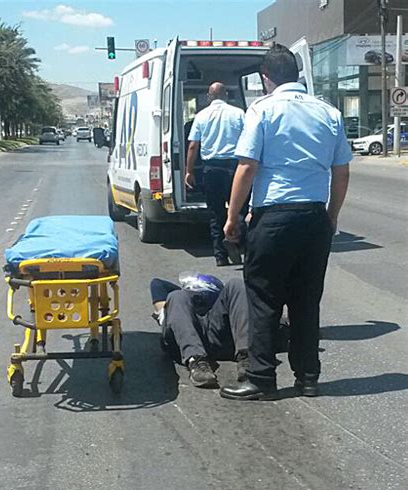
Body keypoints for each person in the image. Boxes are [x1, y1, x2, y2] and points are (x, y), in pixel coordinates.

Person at [222, 45, 352, 401]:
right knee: (307, 300)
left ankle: (261, 378)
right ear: (295, 75)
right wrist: (330, 216)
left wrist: (232, 217)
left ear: (267, 79)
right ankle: (308, 377)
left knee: (264, 298)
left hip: (274, 217)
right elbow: (341, 172)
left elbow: (247, 167)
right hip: (313, 218)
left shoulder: (262, 110)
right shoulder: (328, 112)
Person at [150, 274, 250, 388]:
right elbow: (157, 283)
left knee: (236, 283)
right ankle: (196, 361)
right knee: (176, 296)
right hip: (185, 337)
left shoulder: (219, 303)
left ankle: (247, 357)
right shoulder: (178, 301)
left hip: (219, 333)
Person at [185, 83, 246, 267]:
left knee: (216, 213)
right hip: (235, 167)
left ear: (209, 96)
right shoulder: (239, 113)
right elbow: (249, 139)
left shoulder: (201, 116)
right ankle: (239, 243)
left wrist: (189, 171)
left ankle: (220, 256)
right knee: (240, 208)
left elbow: (193, 146)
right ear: (226, 95)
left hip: (211, 169)